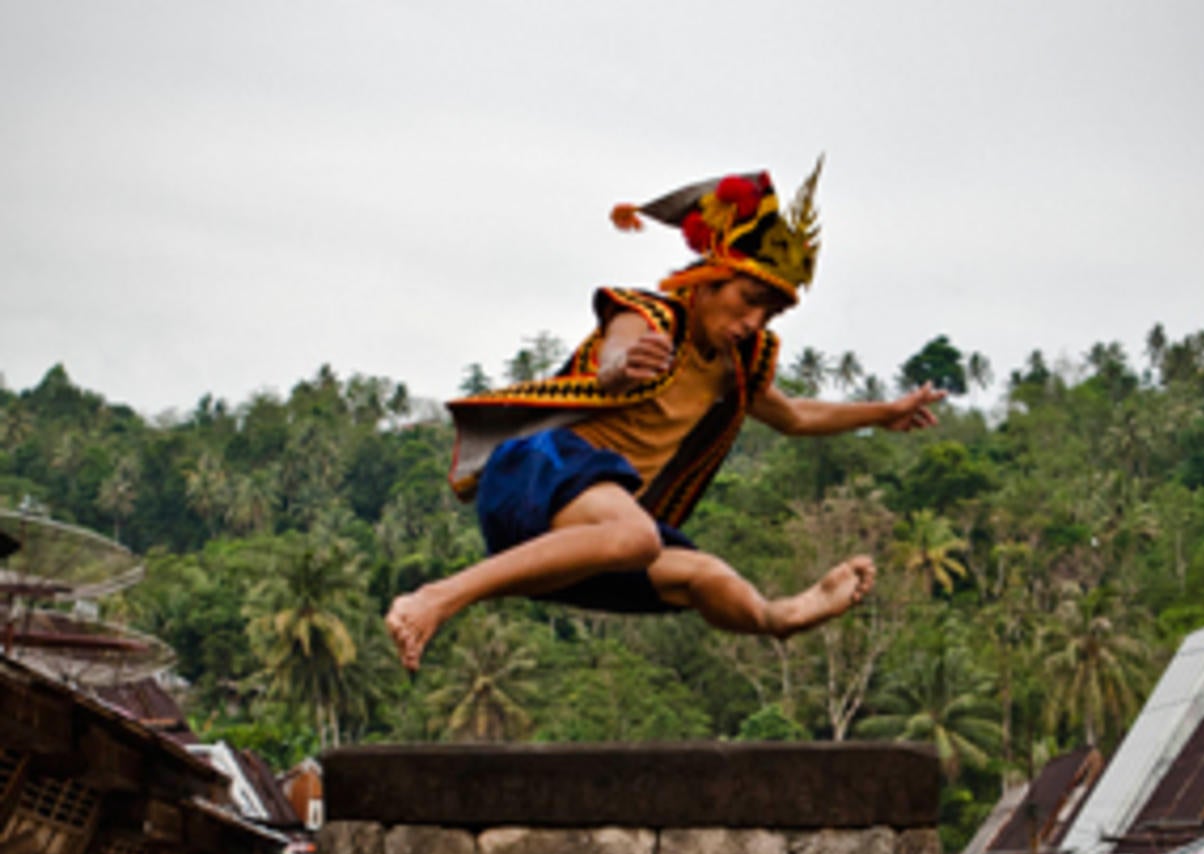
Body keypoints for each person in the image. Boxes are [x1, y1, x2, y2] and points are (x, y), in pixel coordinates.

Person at [385, 163, 944, 672]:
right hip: (536, 469)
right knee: (639, 537)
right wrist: (620, 369)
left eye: (768, 312)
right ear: (707, 281)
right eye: (746, 300)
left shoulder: (736, 366)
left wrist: (885, 412)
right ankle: (436, 597)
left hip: (579, 532)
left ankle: (782, 618)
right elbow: (616, 352)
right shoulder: (652, 317)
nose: (753, 321)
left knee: (703, 574)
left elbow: (794, 415)